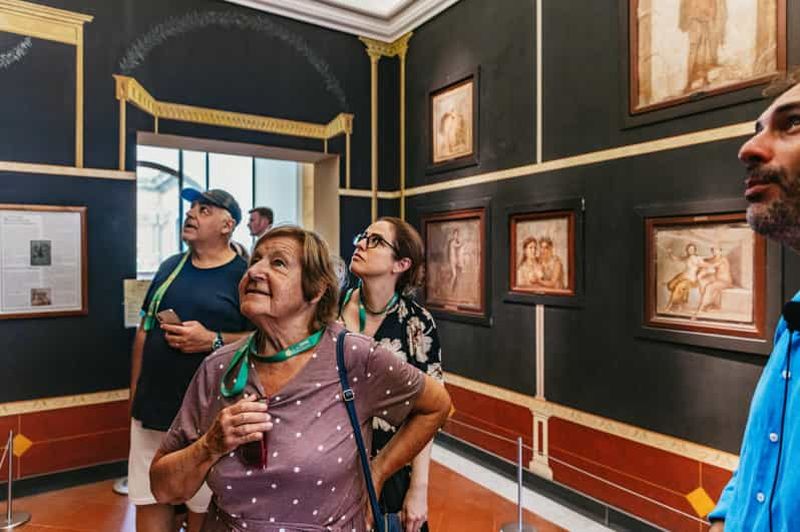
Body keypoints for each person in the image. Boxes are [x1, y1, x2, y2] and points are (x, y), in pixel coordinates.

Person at [149, 225, 452, 532]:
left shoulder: (352, 355)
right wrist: (210, 445)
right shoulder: (218, 368)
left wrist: (377, 472)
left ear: (315, 291)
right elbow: (164, 489)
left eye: (278, 263)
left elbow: (436, 405)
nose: (254, 271)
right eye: (255, 260)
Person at [707, 72, 800, 530]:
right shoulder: (794, 317)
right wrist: (725, 516)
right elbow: (766, 448)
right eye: (758, 129)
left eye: (794, 123)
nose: (748, 148)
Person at [129, 188, 253, 532]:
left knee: (203, 505)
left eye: (204, 209)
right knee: (149, 495)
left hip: (211, 415)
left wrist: (213, 339)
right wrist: (134, 393)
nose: (191, 214)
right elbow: (144, 331)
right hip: (153, 409)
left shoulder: (246, 275)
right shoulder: (170, 267)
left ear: (227, 225)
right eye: (192, 208)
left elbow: (267, 338)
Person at [340, 217, 444, 532]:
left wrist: (419, 488)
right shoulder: (329, 310)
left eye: (375, 241)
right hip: (333, 466)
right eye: (363, 236)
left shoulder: (417, 323)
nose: (360, 244)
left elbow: (428, 413)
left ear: (401, 264)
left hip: (394, 468)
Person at [664, 243, 703, 312]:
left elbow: (703, 265)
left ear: (695, 250)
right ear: (687, 250)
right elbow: (675, 259)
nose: (690, 250)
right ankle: (678, 304)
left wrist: (699, 273)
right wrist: (670, 253)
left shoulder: (696, 258)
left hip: (691, 279)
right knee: (671, 285)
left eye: (692, 249)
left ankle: (669, 306)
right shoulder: (687, 257)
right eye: (689, 249)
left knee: (679, 286)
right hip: (683, 276)